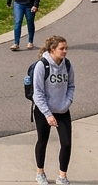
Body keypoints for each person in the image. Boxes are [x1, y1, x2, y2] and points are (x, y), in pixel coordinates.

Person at [32, 35, 75, 185]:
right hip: (43, 111)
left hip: (62, 110)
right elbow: (37, 93)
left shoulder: (67, 65)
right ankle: (40, 173)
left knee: (67, 143)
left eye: (66, 48)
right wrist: (48, 114)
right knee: (43, 141)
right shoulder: (42, 66)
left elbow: (71, 86)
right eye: (61, 49)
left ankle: (62, 176)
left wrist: (67, 102)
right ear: (52, 50)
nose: (65, 52)